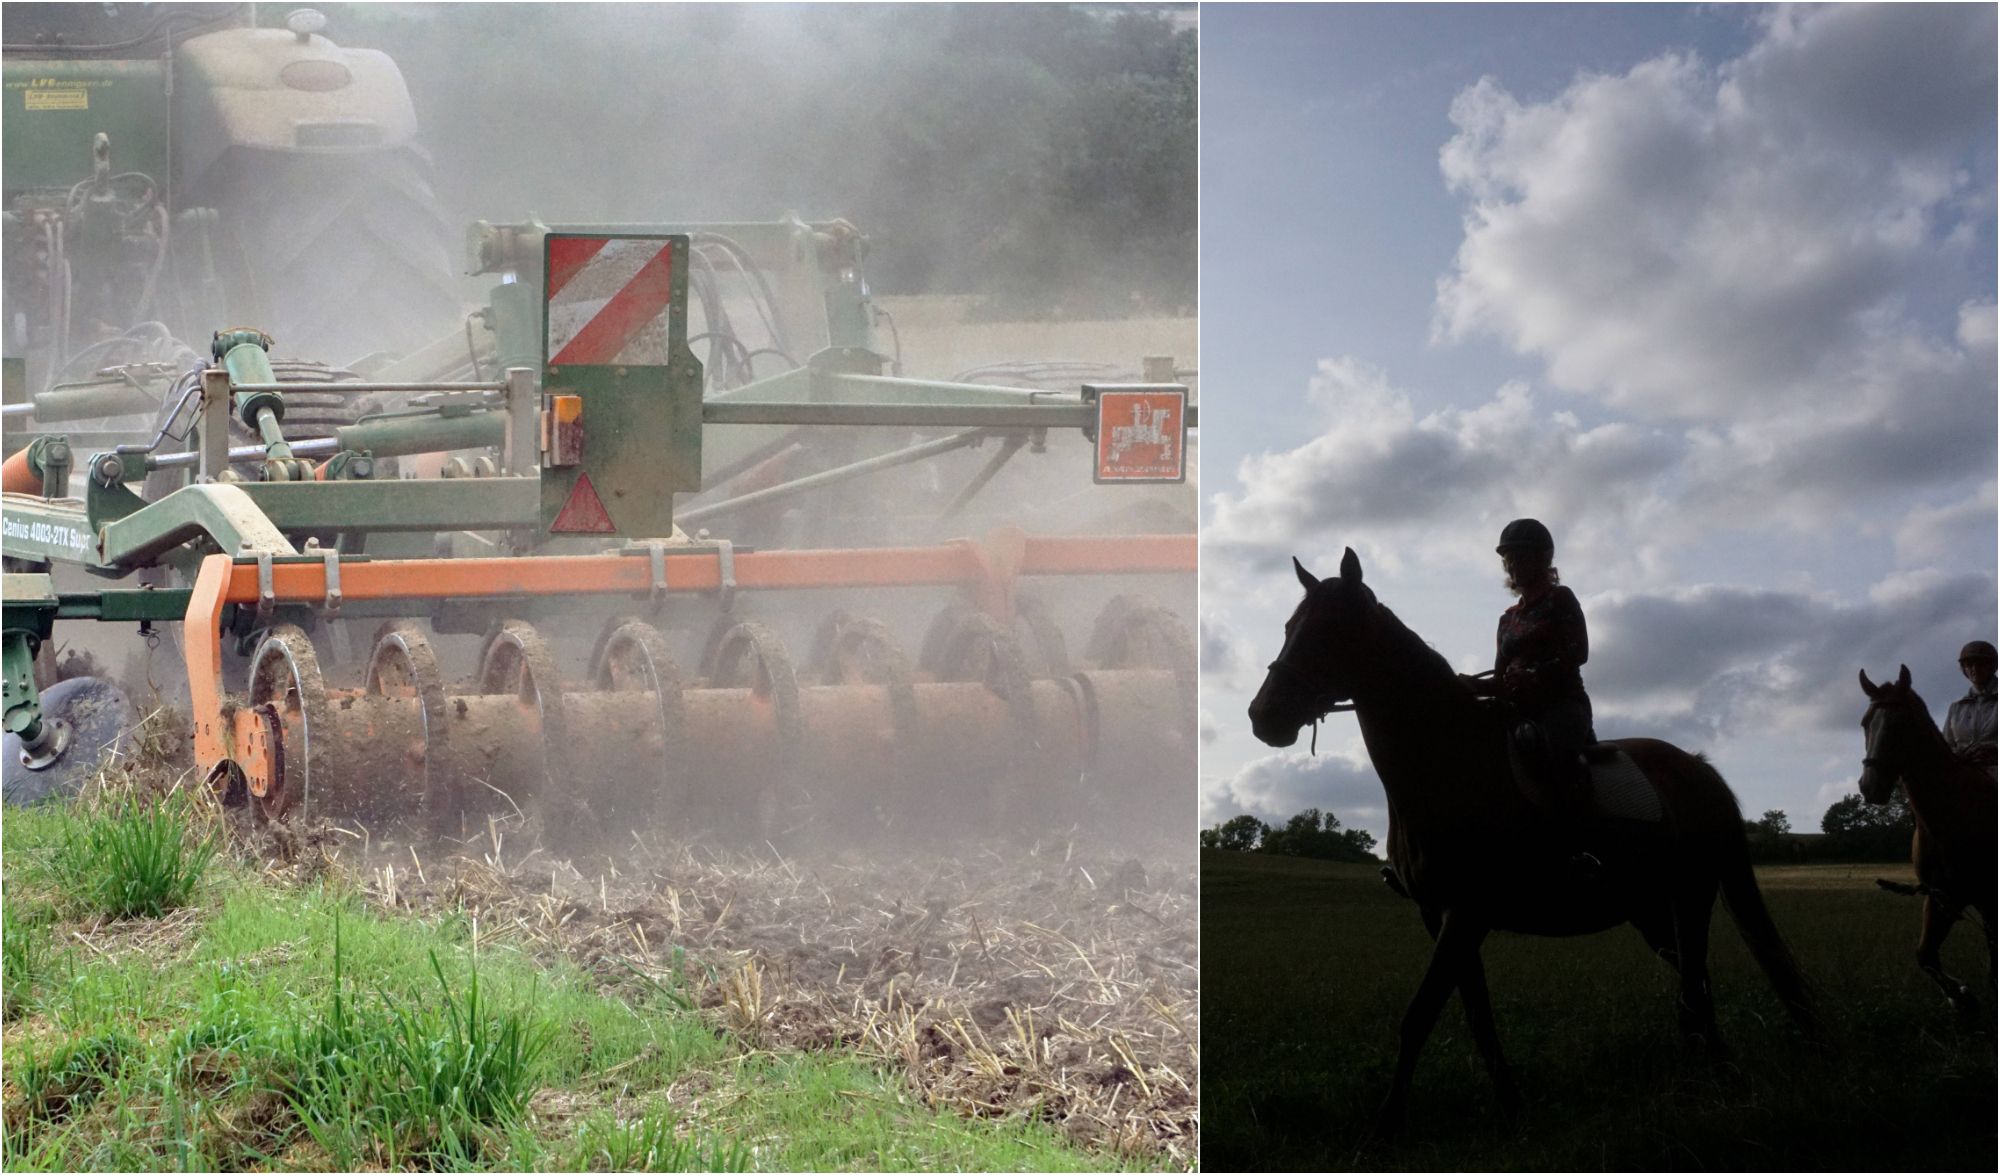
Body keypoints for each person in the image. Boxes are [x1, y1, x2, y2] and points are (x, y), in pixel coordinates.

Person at [1464, 519, 1600, 865]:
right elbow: (1500, 679)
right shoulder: (1507, 620)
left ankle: (1578, 848)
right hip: (1517, 711)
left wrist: (1536, 674)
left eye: (1520, 556)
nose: (1512, 565)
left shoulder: (1560, 599)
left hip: (1562, 706)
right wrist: (1469, 686)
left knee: (1553, 753)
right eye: (1507, 559)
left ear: (1543, 559)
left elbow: (1578, 652)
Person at [1943, 639, 1996, 773]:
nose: (1974, 669)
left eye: (1980, 663)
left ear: (1992, 666)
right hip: (1963, 773)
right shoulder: (1956, 708)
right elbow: (1946, 746)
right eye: (1969, 664)